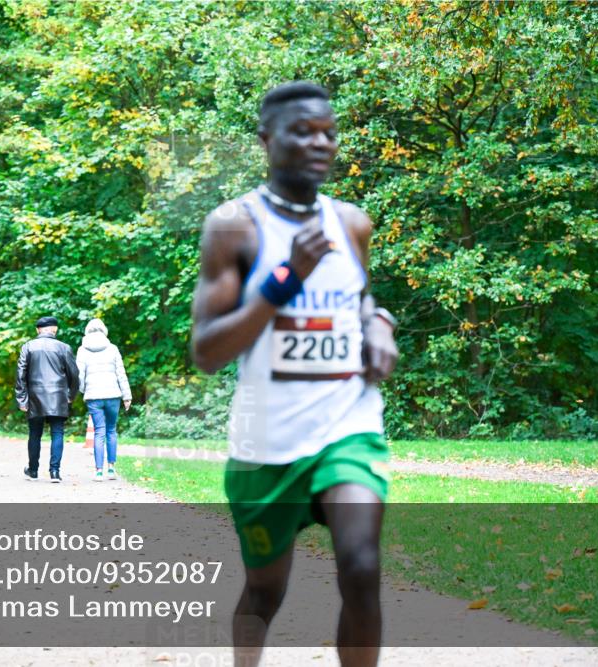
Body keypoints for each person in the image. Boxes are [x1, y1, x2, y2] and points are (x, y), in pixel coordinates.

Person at [190, 82, 399, 667]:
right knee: (265, 592)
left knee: (361, 568)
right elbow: (207, 350)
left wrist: (379, 324)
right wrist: (286, 278)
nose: (320, 143)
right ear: (266, 139)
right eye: (303, 131)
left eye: (328, 132)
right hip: (267, 443)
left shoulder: (352, 222)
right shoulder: (235, 226)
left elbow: (359, 300)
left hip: (347, 425)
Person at [15, 316, 79, 483]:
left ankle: (33, 471)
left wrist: (22, 399)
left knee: (34, 434)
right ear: (55, 330)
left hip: (35, 398)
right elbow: (74, 375)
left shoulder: (28, 346)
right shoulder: (64, 347)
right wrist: (70, 396)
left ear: (38, 330)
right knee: (57, 433)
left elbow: (20, 374)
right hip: (58, 397)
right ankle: (55, 472)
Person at [76, 318, 132, 482]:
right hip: (113, 395)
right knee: (111, 430)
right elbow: (121, 374)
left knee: (99, 432)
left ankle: (98, 471)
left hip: (94, 397)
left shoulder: (82, 350)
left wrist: (84, 391)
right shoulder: (112, 348)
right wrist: (127, 396)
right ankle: (111, 469)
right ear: (104, 331)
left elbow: (80, 376)